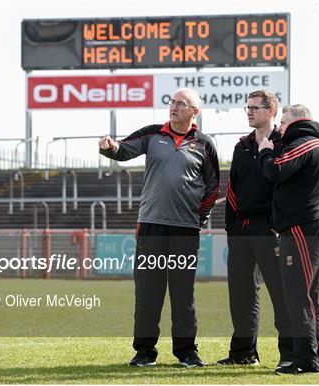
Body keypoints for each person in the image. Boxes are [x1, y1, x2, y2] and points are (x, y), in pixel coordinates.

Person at [98, 88, 220, 368]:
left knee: (183, 294)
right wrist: (108, 147)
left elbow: (213, 188)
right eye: (171, 102)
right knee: (148, 292)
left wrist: (198, 219)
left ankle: (187, 352)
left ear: (194, 112)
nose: (173, 107)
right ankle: (144, 351)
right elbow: (122, 150)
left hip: (185, 232)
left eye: (180, 103)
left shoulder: (205, 144)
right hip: (151, 227)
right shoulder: (153, 133)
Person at [217, 90, 293, 368]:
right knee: (240, 294)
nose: (249, 112)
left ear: (271, 111)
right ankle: (243, 353)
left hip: (269, 229)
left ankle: (289, 354)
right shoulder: (242, 146)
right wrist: (231, 228)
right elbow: (233, 188)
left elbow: (285, 186)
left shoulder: (283, 143)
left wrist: (276, 225)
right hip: (241, 230)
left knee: (281, 294)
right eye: (246, 107)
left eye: (254, 108)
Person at [258, 104, 319, 375]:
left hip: (303, 226)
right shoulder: (311, 143)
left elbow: (276, 170)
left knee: (298, 295)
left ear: (296, 122)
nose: (279, 128)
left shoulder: (305, 142)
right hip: (305, 225)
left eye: (283, 122)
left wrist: (265, 151)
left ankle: (307, 359)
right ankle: (315, 357)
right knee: (307, 295)